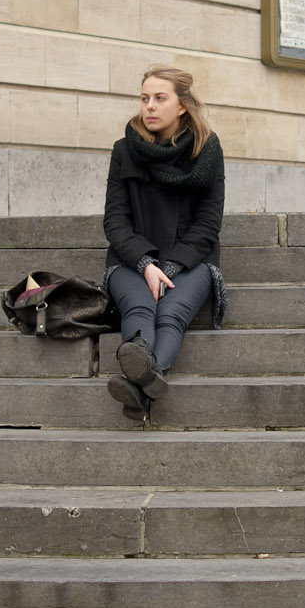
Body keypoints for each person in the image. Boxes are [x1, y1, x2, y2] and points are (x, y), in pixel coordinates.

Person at [101, 64, 227, 422]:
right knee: (140, 309)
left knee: (170, 315)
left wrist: (169, 269)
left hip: (192, 261)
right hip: (130, 260)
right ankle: (146, 379)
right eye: (144, 99)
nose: (150, 107)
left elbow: (208, 223)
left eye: (160, 98)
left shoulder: (207, 151)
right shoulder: (125, 150)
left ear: (182, 105)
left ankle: (136, 384)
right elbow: (115, 220)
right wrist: (146, 265)